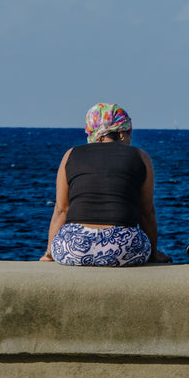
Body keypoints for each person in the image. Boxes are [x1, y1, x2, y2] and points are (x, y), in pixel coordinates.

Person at [40, 103, 170, 266]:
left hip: (73, 249)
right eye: (130, 134)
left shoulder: (70, 155)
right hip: (123, 250)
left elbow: (61, 209)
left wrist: (49, 253)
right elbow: (147, 212)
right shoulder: (140, 157)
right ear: (122, 134)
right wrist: (154, 254)